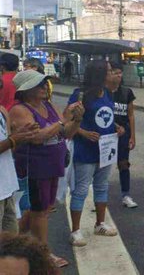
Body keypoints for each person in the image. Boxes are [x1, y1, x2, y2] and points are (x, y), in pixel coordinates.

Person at [10, 69, 84, 267]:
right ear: (26, 90)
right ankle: (43, 255)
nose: (45, 87)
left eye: (45, 83)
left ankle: (11, 244)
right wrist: (62, 121)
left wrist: (76, 120)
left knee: (41, 209)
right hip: (35, 168)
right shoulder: (20, 110)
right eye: (40, 84)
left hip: (53, 165)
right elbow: (37, 137)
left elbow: (66, 133)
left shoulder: (48, 105)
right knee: (40, 211)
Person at [66, 60, 124, 247]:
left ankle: (100, 223)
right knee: (81, 190)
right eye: (109, 71)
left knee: (102, 186)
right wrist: (83, 133)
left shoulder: (107, 92)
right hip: (85, 150)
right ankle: (75, 230)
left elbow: (105, 116)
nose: (112, 73)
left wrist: (116, 126)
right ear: (99, 74)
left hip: (106, 149)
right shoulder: (80, 95)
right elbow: (66, 123)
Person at [0, 103, 37, 234]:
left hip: (7, 188)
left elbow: (10, 149)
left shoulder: (2, 110)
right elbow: (10, 142)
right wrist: (13, 140)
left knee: (11, 241)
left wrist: (20, 135)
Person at [108, 62, 138, 208]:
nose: (119, 76)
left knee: (124, 163)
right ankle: (98, 197)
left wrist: (133, 136)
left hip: (123, 133)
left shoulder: (127, 92)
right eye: (115, 73)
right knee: (102, 166)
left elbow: (131, 115)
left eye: (120, 73)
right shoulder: (104, 92)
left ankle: (126, 194)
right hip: (107, 134)